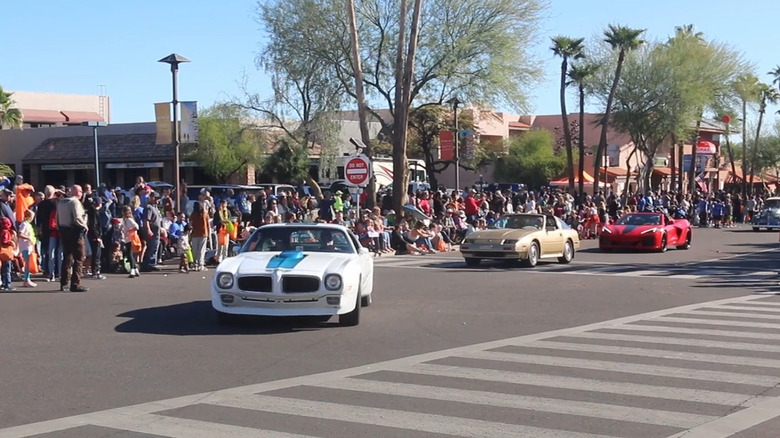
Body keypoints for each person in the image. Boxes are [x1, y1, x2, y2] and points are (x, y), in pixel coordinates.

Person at [56, 184, 89, 292]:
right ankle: (75, 283)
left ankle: (64, 283)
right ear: (77, 192)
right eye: (80, 191)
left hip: (63, 230)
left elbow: (57, 218)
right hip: (75, 231)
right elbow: (77, 217)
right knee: (79, 257)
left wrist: (59, 228)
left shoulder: (61, 202)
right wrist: (85, 226)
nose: (81, 193)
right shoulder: (74, 202)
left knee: (67, 257)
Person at [141, 191, 162, 272]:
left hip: (157, 231)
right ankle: (148, 264)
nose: (157, 200)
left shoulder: (155, 207)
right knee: (151, 247)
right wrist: (148, 230)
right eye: (156, 198)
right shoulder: (148, 207)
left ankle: (152, 262)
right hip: (152, 231)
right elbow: (146, 220)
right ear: (152, 198)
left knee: (155, 246)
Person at [17, 209, 38, 288]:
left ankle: (28, 279)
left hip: (28, 246)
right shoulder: (24, 224)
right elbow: (20, 234)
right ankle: (26, 280)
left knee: (29, 264)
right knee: (27, 264)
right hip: (25, 246)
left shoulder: (28, 224)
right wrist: (28, 238)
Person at [120, 206, 141, 278]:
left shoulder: (129, 220)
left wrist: (130, 231)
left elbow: (137, 226)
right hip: (127, 239)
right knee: (130, 254)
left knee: (130, 255)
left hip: (131, 239)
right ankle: (136, 269)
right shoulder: (125, 220)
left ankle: (132, 270)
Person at [190, 201, 210, 271]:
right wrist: (209, 234)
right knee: (202, 250)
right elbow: (208, 225)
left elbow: (190, 224)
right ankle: (201, 264)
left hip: (195, 234)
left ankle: (195, 264)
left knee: (195, 250)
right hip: (204, 233)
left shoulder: (193, 214)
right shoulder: (205, 213)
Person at [0, 217, 17, 291]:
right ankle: (7, 284)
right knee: (7, 269)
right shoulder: (6, 232)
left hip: (2, 253)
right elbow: (4, 241)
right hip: (6, 253)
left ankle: (3, 284)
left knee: (3, 270)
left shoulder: (1, 231)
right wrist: (11, 242)